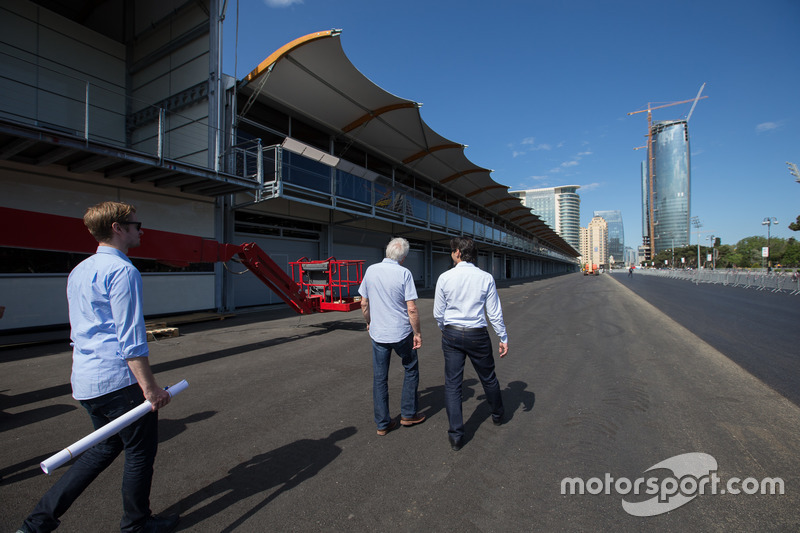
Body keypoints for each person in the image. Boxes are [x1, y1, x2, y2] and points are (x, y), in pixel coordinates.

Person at [18, 202, 179, 533]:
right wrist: (150, 390)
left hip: (87, 379)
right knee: (139, 454)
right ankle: (136, 524)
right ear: (118, 228)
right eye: (136, 225)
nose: (141, 230)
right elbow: (131, 338)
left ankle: (37, 523)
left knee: (104, 447)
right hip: (119, 382)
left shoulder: (79, 269)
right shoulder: (123, 271)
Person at [434, 236, 508, 451]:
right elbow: (494, 313)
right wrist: (502, 337)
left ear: (458, 252)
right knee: (488, 377)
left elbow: (438, 312)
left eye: (452, 251)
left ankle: (456, 435)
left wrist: (446, 329)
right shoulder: (485, 278)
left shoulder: (445, 277)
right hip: (477, 333)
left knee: (453, 384)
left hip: (452, 333)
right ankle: (497, 414)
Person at [358, 237, 426, 436]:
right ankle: (408, 413)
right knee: (411, 368)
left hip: (379, 334)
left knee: (380, 378)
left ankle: (383, 423)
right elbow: (411, 309)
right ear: (403, 257)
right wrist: (418, 333)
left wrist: (369, 322)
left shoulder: (371, 270)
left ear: (387, 252)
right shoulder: (404, 273)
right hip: (401, 332)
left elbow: (363, 303)